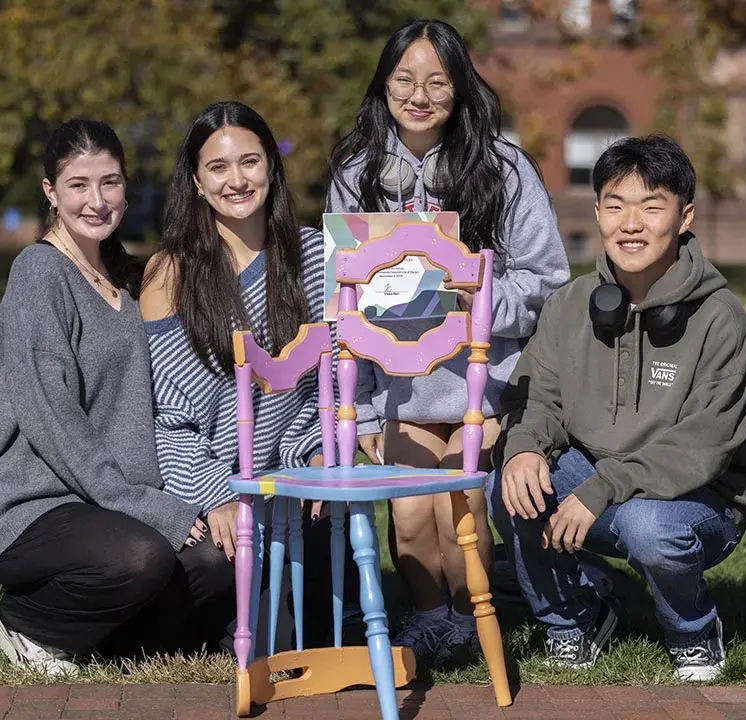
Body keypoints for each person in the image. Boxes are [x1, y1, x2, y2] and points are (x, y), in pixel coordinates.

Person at [326, 19, 569, 666]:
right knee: (409, 514)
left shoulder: (504, 168)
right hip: (397, 390)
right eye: (404, 79)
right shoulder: (357, 177)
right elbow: (349, 309)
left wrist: (476, 296)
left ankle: (471, 618)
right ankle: (433, 620)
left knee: (459, 503)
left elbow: (546, 283)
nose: (420, 94)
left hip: (482, 389)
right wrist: (371, 411)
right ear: (382, 87)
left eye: (438, 80)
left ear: (461, 90)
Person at [488, 135, 746, 682]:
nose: (630, 224)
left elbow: (703, 444)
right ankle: (572, 621)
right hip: (598, 481)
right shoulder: (569, 305)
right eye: (615, 206)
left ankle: (693, 633)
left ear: (684, 217)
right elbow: (535, 395)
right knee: (507, 484)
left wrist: (599, 490)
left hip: (700, 499)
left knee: (648, 527)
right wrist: (522, 449)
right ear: (597, 213)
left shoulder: (721, 317)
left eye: (651, 206)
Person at [0, 119, 218, 676]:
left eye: (109, 183)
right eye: (78, 185)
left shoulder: (127, 277)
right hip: (41, 502)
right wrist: (143, 505)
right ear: (50, 193)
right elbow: (51, 419)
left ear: (126, 186)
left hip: (118, 500)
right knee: (141, 557)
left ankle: (110, 641)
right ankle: (29, 625)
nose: (97, 200)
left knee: (215, 564)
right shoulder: (39, 274)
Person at [141, 101, 355, 650]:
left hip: (281, 477)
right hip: (203, 479)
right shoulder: (172, 271)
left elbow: (320, 388)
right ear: (196, 181)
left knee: (332, 592)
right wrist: (214, 495)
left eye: (250, 162)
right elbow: (166, 417)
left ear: (272, 169)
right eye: (218, 167)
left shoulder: (313, 256)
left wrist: (311, 456)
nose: (236, 180)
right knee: (218, 568)